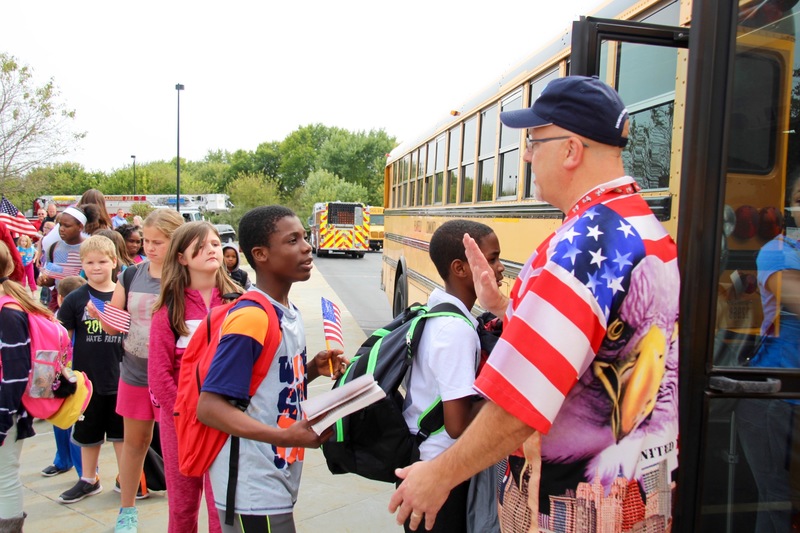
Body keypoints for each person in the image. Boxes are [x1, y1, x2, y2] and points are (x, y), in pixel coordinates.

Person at [389, 76, 681, 532]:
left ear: (570, 151)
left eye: (532, 142)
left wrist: (439, 475)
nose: (525, 156)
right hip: (638, 493)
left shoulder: (584, 245)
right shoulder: (645, 228)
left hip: (570, 506)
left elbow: (519, 404)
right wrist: (506, 306)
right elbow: (591, 344)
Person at [196, 205, 347, 532]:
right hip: (252, 486)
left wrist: (310, 369)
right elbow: (209, 407)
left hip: (276, 475)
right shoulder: (252, 318)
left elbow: (264, 386)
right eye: (292, 240)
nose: (307, 247)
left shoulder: (287, 312)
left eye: (304, 238)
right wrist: (283, 435)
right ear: (260, 254)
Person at [400, 219, 504, 533]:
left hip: (427, 464)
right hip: (440, 475)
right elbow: (457, 424)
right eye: (492, 259)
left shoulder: (438, 311)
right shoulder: (456, 330)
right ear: (460, 268)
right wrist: (508, 397)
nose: (501, 268)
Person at [88, 208, 184, 533]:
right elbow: (115, 327)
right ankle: (126, 511)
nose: (150, 247)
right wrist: (101, 315)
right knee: (135, 443)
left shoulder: (188, 278)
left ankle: (181, 511)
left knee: (177, 447)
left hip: (174, 378)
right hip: (134, 372)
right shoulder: (130, 275)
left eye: (159, 242)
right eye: (147, 241)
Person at [149, 222, 239, 533]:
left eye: (215, 243)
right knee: (183, 506)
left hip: (226, 420)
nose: (212, 250)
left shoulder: (238, 302)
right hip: (179, 423)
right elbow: (158, 374)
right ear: (182, 257)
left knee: (223, 507)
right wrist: (185, 414)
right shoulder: (169, 308)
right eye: (200, 247)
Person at [735, 170, 800, 532]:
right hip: (774, 395)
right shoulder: (778, 252)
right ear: (790, 207)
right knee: (777, 500)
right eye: (799, 197)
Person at [56, 236, 125, 504]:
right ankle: (89, 478)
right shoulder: (75, 299)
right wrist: (63, 371)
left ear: (114, 262)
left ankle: (127, 477)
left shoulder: (123, 293)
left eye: (102, 261)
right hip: (87, 383)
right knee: (88, 434)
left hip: (121, 379)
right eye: (89, 262)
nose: (96, 267)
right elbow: (63, 340)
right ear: (82, 265)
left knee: (122, 435)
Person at [0, 240, 52, 532]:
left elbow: (16, 372)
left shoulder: (8, 313)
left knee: (5, 475)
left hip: (6, 411)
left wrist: (4, 417)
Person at [40, 276, 87, 480]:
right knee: (62, 421)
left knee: (75, 424)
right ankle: (64, 461)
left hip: (73, 375)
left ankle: (85, 472)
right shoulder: (53, 319)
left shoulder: (61, 319)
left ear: (59, 297)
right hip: (61, 374)